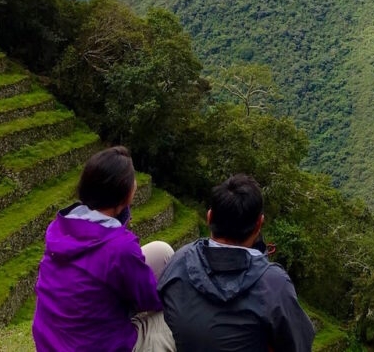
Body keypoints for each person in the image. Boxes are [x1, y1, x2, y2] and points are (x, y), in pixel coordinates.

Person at [33, 146, 176, 352]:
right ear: (125, 193)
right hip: (96, 346)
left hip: (52, 342)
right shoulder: (120, 247)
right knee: (178, 316)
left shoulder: (60, 226)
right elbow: (150, 300)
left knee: (161, 251)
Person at [159, 174, 316, 352]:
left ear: (209, 217)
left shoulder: (178, 263)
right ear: (259, 224)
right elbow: (299, 344)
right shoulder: (273, 284)